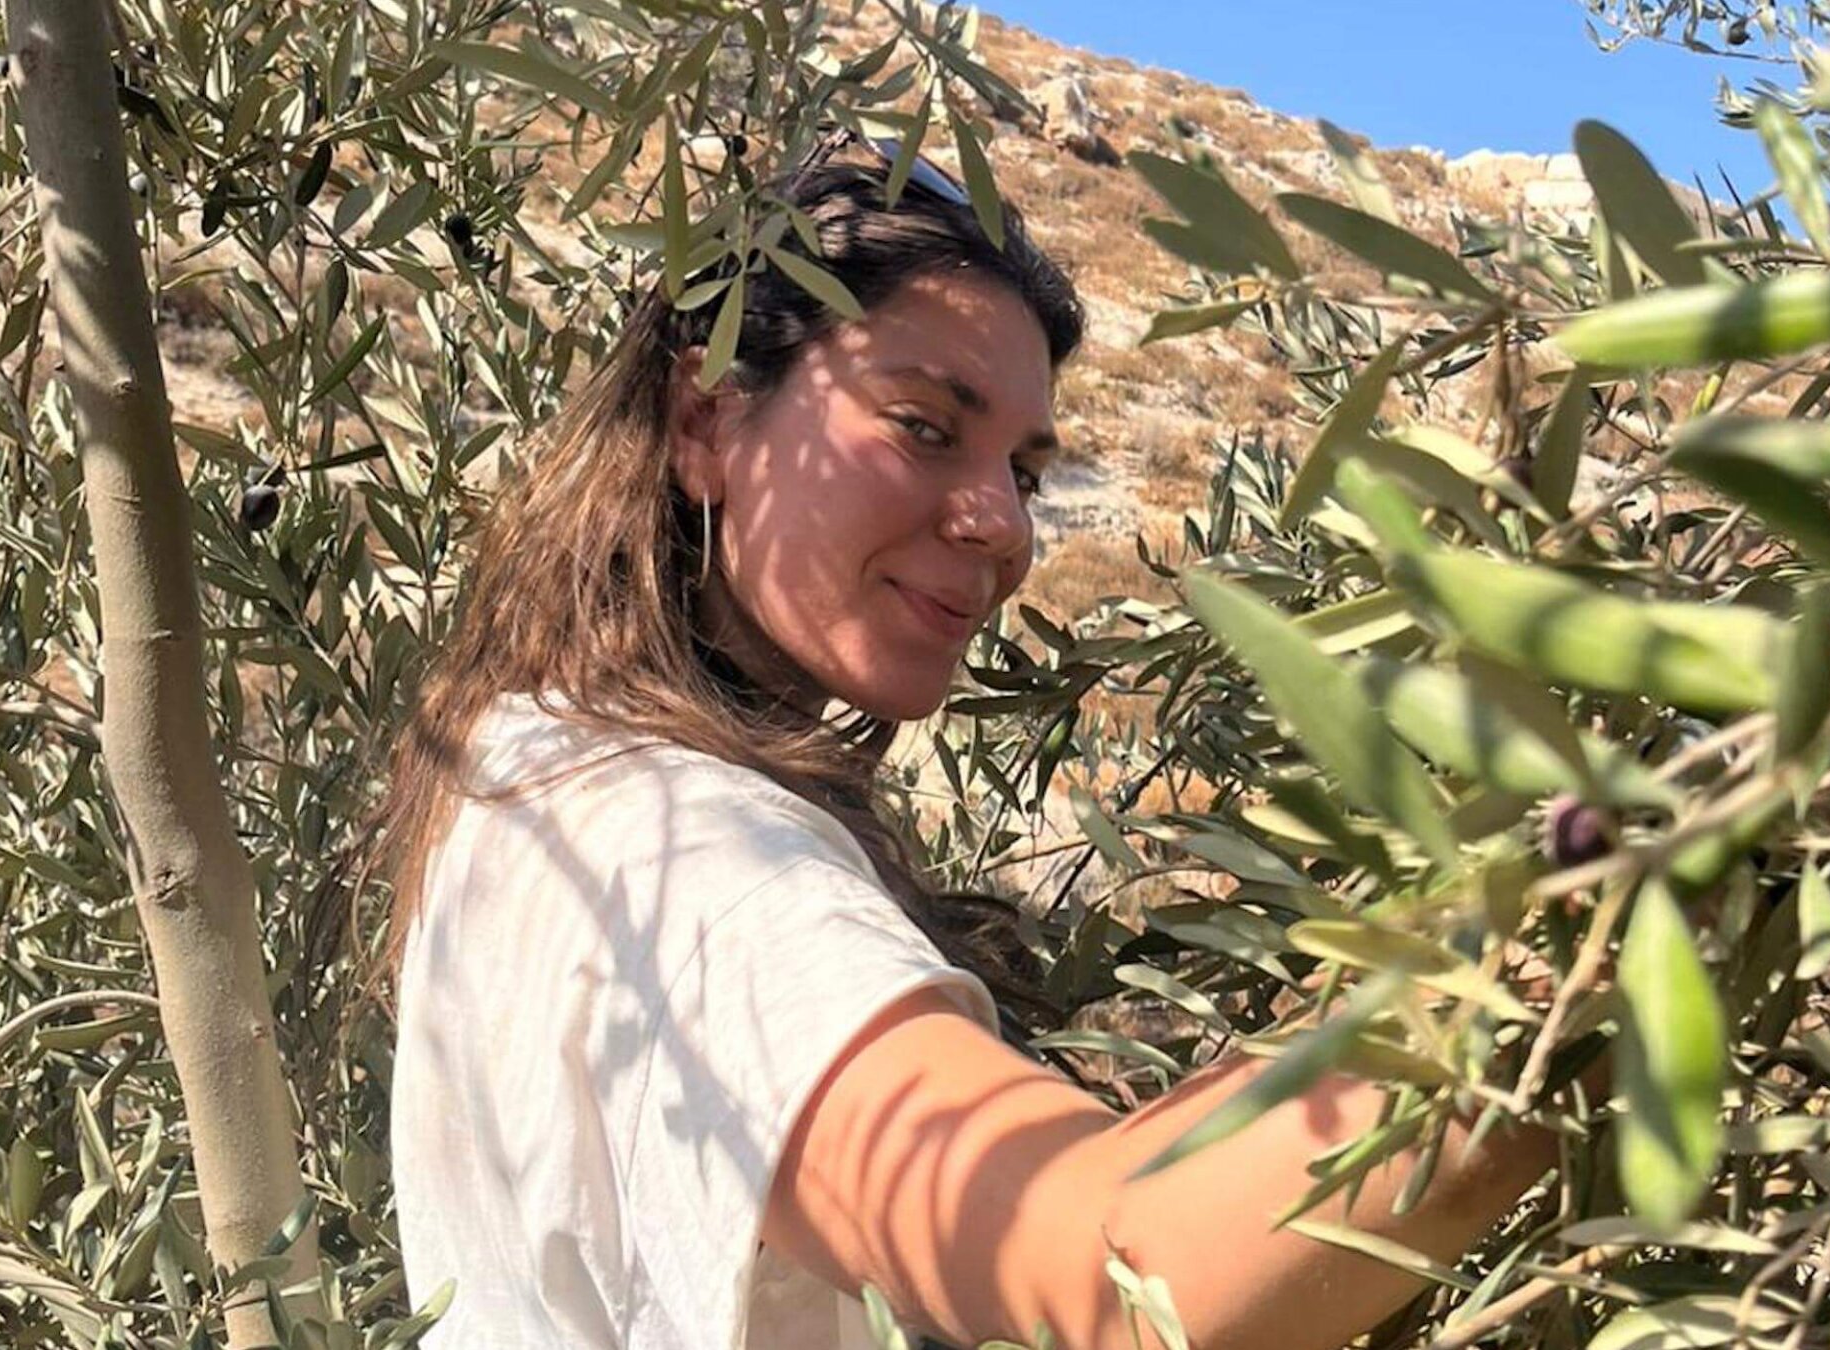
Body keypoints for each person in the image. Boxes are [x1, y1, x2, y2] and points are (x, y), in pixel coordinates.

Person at [373, 127, 1574, 1350]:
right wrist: (1576, 959)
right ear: (706, 418)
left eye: (1028, 472)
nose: (1003, 527)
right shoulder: (688, 860)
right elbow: (1109, 1282)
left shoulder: (535, 766)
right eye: (924, 427)